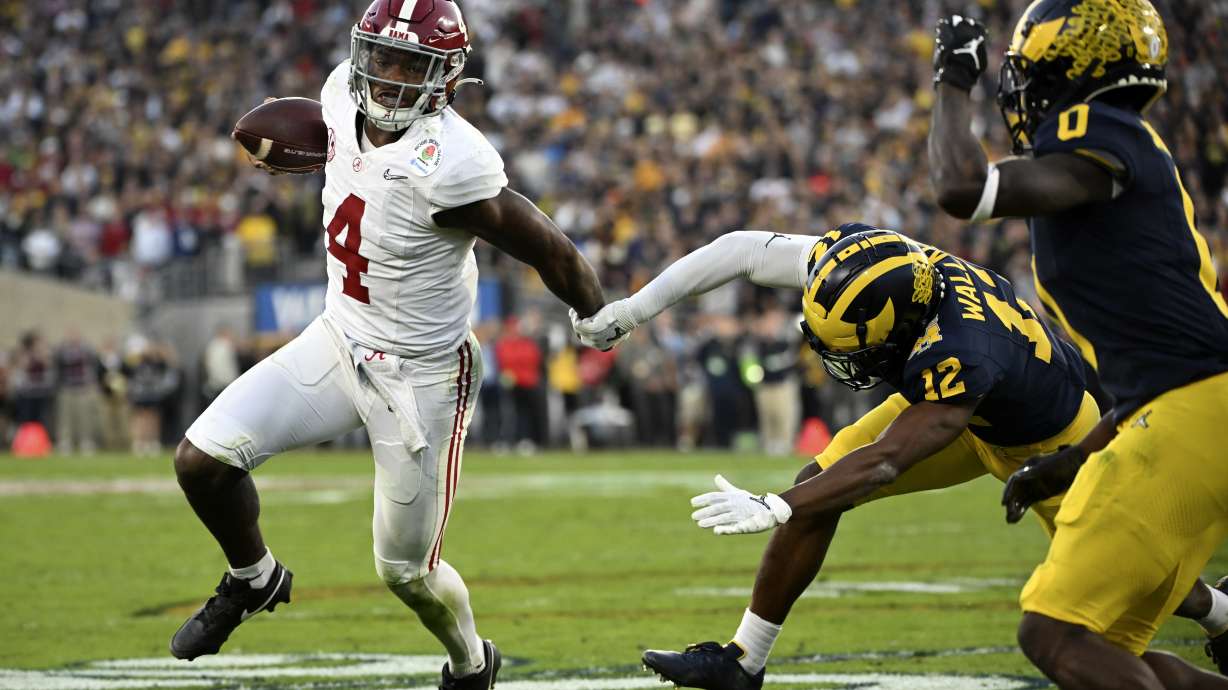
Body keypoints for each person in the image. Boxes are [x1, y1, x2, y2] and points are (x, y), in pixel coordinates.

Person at [572, 224, 1217, 690]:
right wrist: (631, 311)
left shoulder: (962, 347)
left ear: (902, 328)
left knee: (1111, 631)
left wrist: (776, 506)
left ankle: (1220, 611)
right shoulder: (867, 265)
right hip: (967, 406)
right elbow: (740, 250)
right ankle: (744, 661)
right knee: (820, 482)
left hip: (1055, 443)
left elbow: (885, 461)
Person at [169, 3, 605, 690]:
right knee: (202, 461)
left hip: (421, 377)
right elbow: (337, 145)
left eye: (410, 64)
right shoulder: (340, 94)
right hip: (338, 339)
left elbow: (549, 248)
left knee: (405, 571)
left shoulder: (451, 164)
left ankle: (471, 663)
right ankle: (254, 578)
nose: (390, 76)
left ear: (446, 77)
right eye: (383, 56)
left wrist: (596, 313)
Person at [927, 2, 1228, 688]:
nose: (1021, 86)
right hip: (1186, 412)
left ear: (1075, 63)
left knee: (1054, 634)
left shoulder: (1097, 127)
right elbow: (1152, 372)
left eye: (1031, 68)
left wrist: (952, 79)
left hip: (1191, 416)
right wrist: (1070, 461)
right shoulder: (1124, 151)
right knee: (1113, 650)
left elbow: (960, 186)